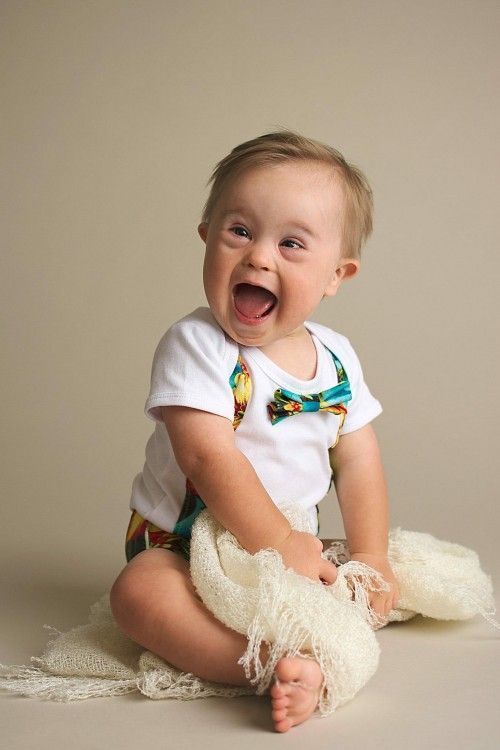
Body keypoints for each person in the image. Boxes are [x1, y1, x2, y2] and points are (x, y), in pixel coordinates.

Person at [110, 130, 400, 732]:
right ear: (206, 237)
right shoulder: (197, 344)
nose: (259, 257)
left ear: (334, 275)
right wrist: (277, 543)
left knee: (347, 578)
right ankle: (263, 662)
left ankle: (310, 635)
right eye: (239, 231)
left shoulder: (337, 358)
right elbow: (206, 456)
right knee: (138, 595)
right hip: (186, 548)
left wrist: (371, 555)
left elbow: (360, 461)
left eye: (292, 244)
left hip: (288, 545)